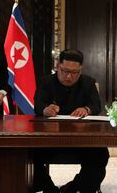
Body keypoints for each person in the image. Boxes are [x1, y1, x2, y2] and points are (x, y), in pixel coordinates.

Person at [33, 49, 109, 193]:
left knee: (101, 155)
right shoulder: (46, 81)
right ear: (58, 67)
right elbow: (38, 104)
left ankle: (73, 188)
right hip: (49, 139)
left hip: (81, 140)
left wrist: (86, 109)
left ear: (80, 70)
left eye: (75, 73)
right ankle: (50, 189)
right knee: (27, 154)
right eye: (65, 71)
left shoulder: (88, 82)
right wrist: (45, 109)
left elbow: (96, 106)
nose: (69, 76)